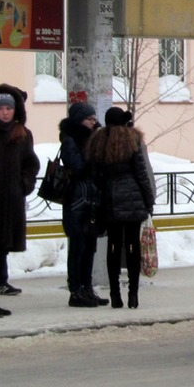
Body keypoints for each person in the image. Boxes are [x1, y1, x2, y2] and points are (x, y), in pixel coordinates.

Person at [89, 107, 154, 309]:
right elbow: (141, 172)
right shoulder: (132, 139)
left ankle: (115, 294)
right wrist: (148, 199)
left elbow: (94, 173)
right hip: (133, 197)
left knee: (113, 246)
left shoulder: (99, 141)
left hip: (109, 199)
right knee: (133, 246)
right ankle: (133, 295)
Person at [0, 85, 39, 317]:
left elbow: (31, 163)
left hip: (10, 205)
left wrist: (23, 184)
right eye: (0, 108)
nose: (4, 113)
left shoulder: (22, 135)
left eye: (8, 108)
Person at [60, 101, 108, 307]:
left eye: (94, 119)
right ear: (79, 120)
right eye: (89, 119)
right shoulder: (71, 140)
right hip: (77, 200)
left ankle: (87, 288)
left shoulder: (95, 139)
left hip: (93, 200)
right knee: (78, 247)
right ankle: (76, 290)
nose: (93, 122)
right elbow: (78, 167)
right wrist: (93, 154)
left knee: (90, 246)